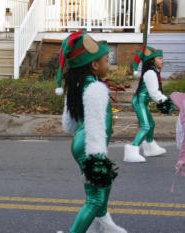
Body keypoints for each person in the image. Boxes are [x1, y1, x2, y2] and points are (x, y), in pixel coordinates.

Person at [59, 31, 127, 233]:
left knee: (103, 187)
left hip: (82, 141)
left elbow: (69, 124)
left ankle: (103, 226)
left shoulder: (79, 85)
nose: (109, 64)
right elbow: (97, 127)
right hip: (91, 144)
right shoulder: (95, 88)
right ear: (95, 65)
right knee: (95, 198)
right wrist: (97, 159)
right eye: (107, 60)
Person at [124, 46, 174, 163]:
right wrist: (167, 102)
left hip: (142, 101)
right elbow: (154, 93)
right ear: (152, 60)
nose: (163, 60)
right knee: (146, 126)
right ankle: (132, 150)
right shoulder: (151, 73)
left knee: (151, 124)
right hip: (139, 102)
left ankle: (150, 148)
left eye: (162, 58)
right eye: (160, 58)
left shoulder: (153, 72)